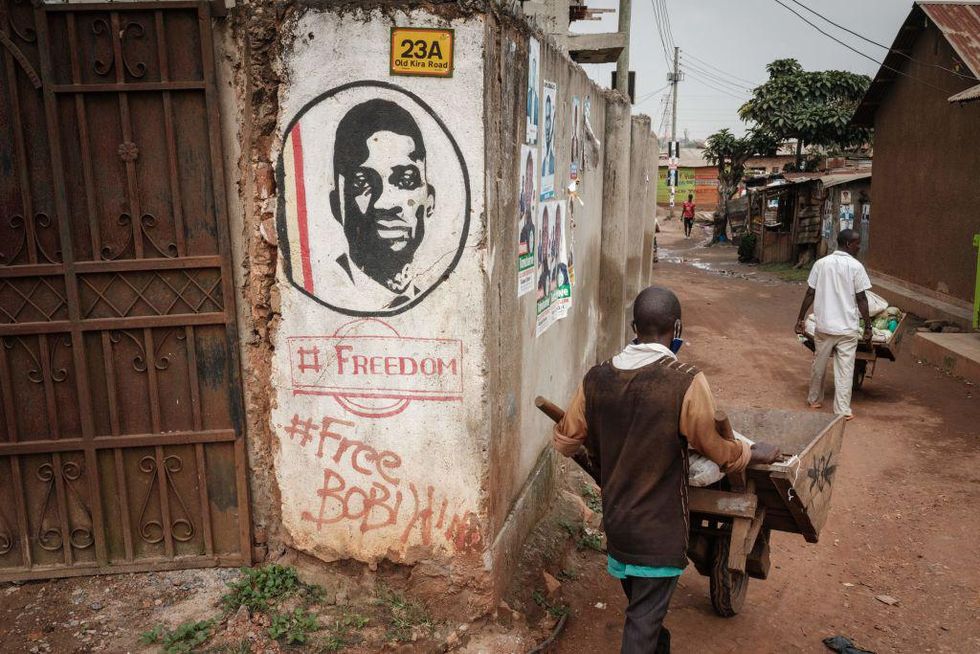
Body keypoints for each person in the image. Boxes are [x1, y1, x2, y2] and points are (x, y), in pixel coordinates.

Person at [553, 286, 782, 653]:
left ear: (633, 326)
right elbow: (715, 448)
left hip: (619, 525)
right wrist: (752, 453)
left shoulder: (595, 379)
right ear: (677, 328)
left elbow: (566, 440)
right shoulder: (684, 380)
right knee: (642, 623)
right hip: (659, 532)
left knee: (645, 614)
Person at [327, 99, 435, 309]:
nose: (385, 203)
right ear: (336, 205)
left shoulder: (432, 302)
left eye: (405, 181)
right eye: (363, 183)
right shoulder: (326, 293)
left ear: (430, 201)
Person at [794, 229, 873, 420]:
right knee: (845, 370)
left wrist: (800, 319)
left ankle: (814, 399)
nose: (859, 246)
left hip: (825, 327)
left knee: (818, 365)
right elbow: (862, 298)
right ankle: (842, 410)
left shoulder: (821, 264)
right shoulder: (856, 267)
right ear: (847, 244)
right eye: (856, 243)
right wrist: (868, 326)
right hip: (847, 329)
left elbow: (810, 293)